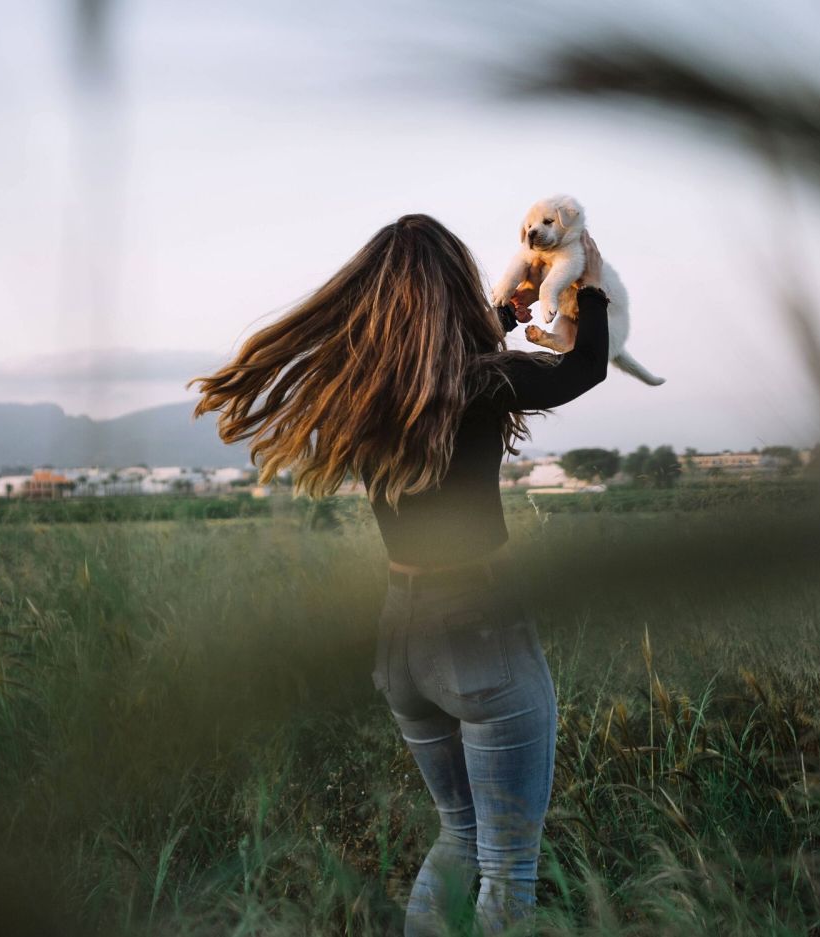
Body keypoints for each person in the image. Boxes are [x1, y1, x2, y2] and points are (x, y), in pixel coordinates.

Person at [191, 214, 609, 934]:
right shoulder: (473, 384)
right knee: (509, 868)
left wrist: (506, 315)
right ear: (452, 288)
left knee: (460, 837)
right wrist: (588, 287)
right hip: (481, 627)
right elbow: (585, 368)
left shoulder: (365, 391)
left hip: (402, 639)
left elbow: (451, 364)